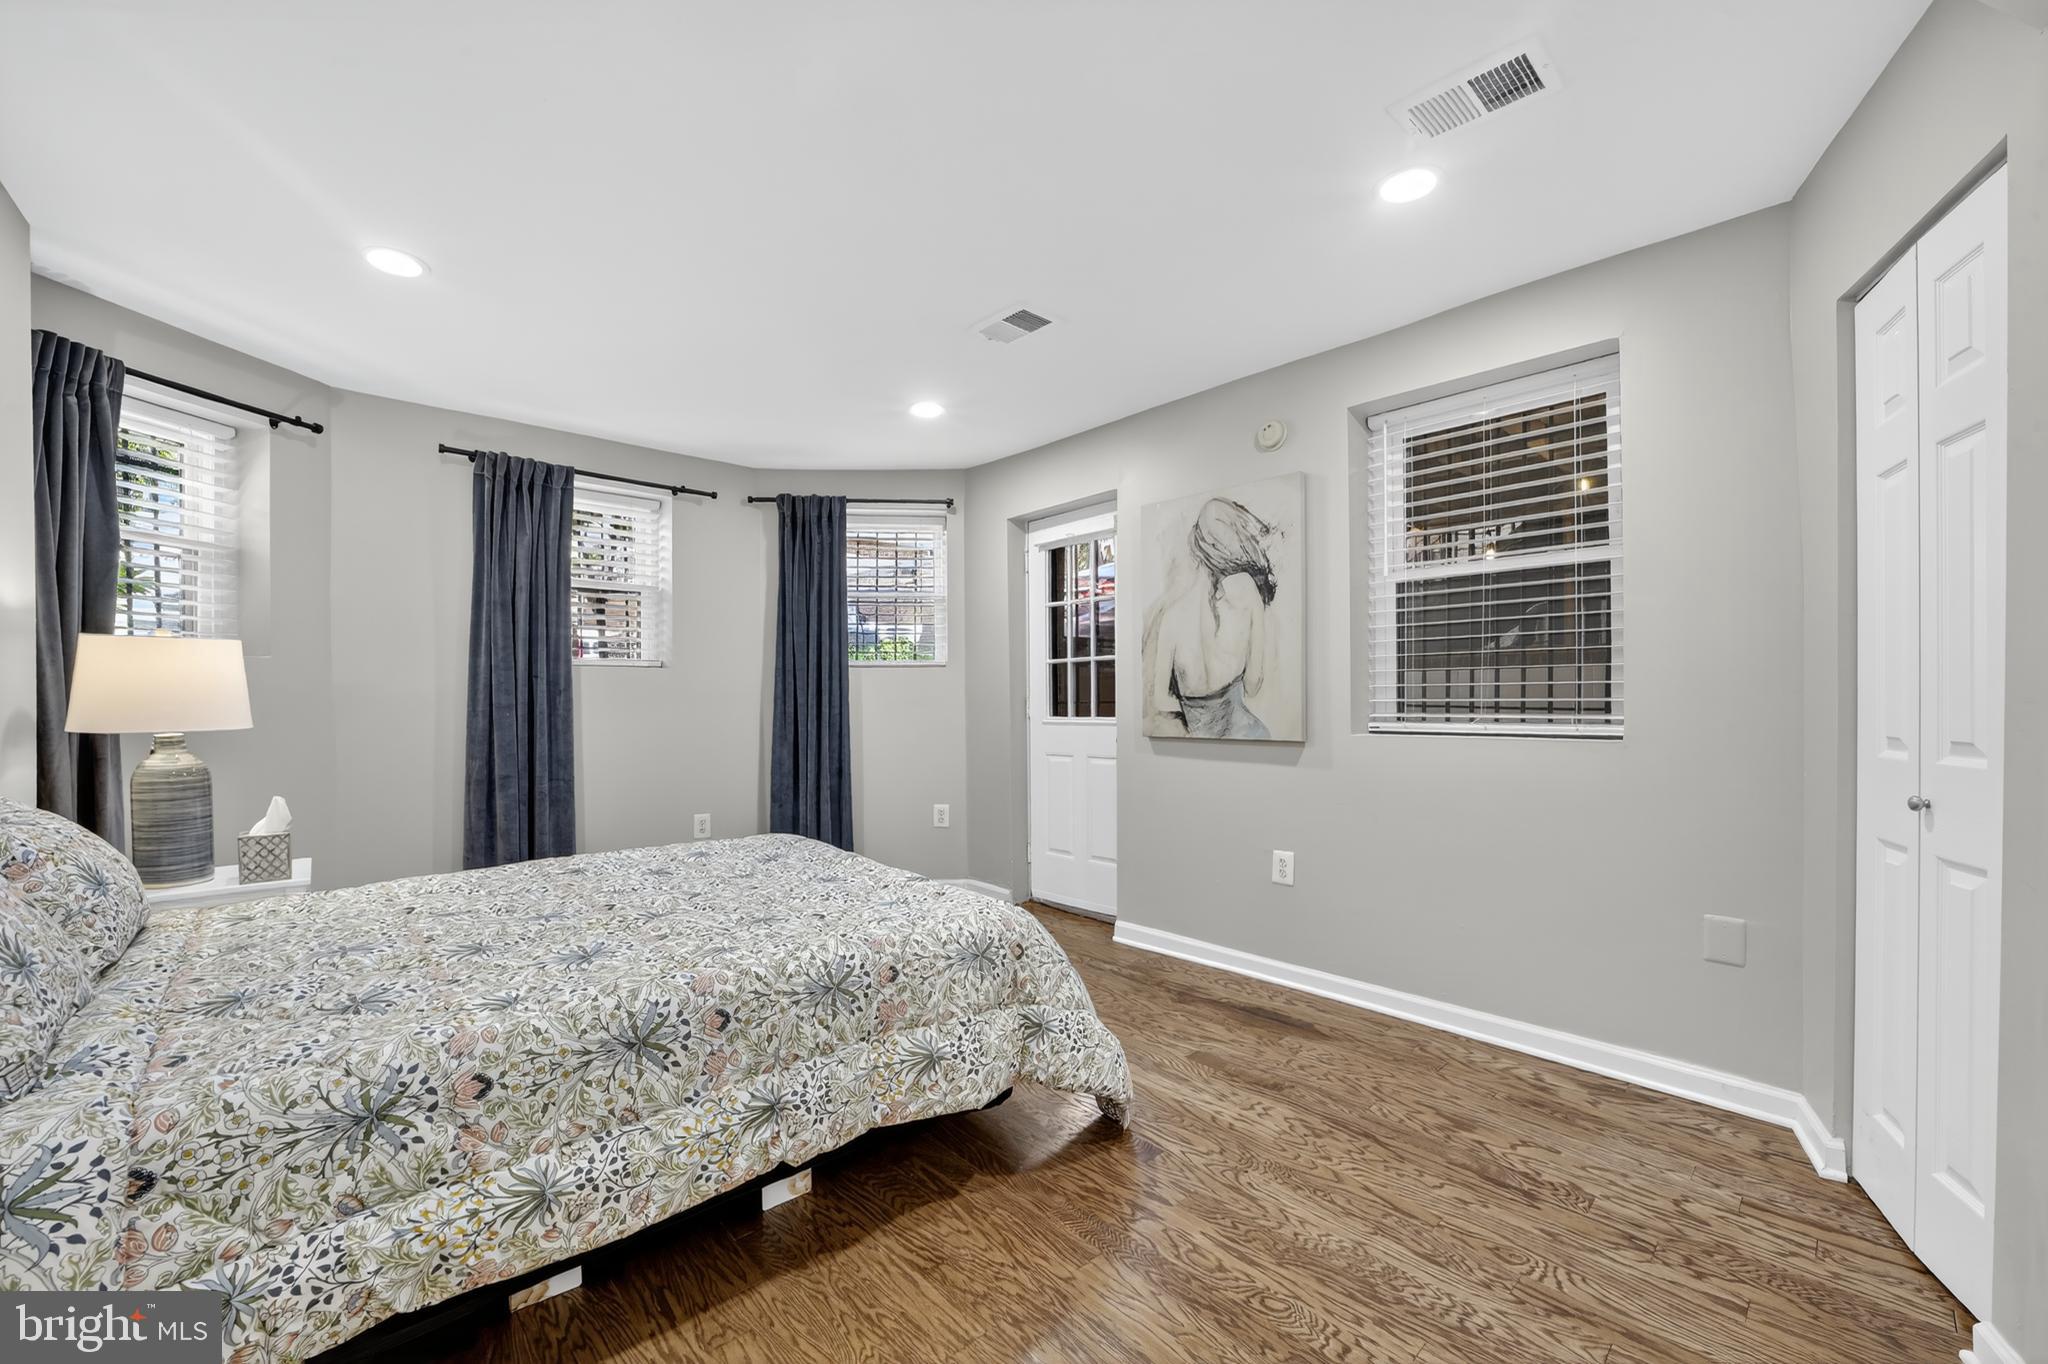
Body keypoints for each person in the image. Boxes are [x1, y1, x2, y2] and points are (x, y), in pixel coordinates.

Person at [1143, 497, 1279, 738]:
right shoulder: (1247, 591)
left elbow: (1161, 699)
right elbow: (1253, 684)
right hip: (1246, 735)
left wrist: (1199, 718)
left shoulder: (1172, 616)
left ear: (1195, 547)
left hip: (1197, 738)